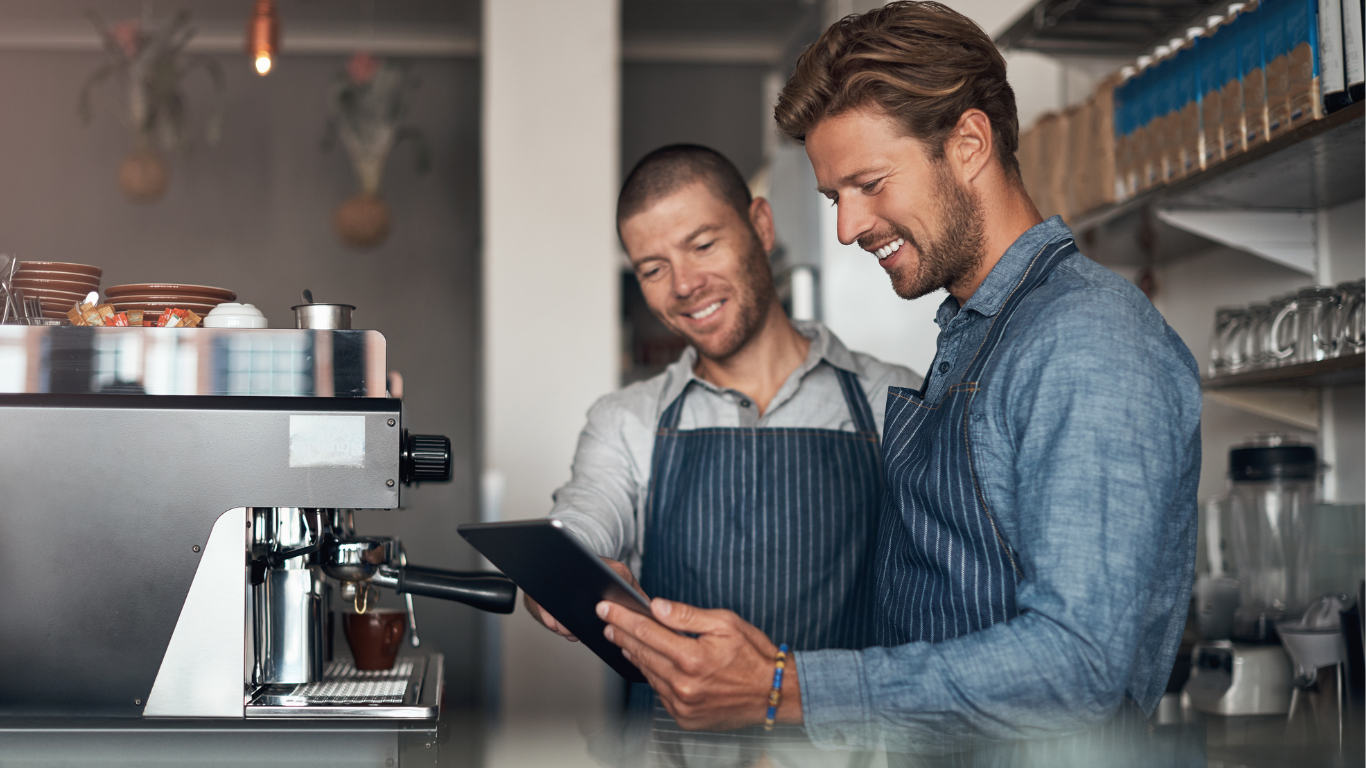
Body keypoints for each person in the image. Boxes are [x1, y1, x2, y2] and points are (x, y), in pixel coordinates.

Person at [596, 3, 1202, 762]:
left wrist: (786, 688)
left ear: (970, 144)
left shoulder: (1087, 342)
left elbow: (1078, 669)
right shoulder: (976, 334)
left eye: (870, 183)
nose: (848, 227)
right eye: (833, 198)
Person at [529, 144, 920, 766]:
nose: (684, 286)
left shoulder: (891, 399)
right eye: (653, 268)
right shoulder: (628, 420)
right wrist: (564, 567)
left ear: (760, 226)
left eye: (703, 244)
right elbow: (586, 509)